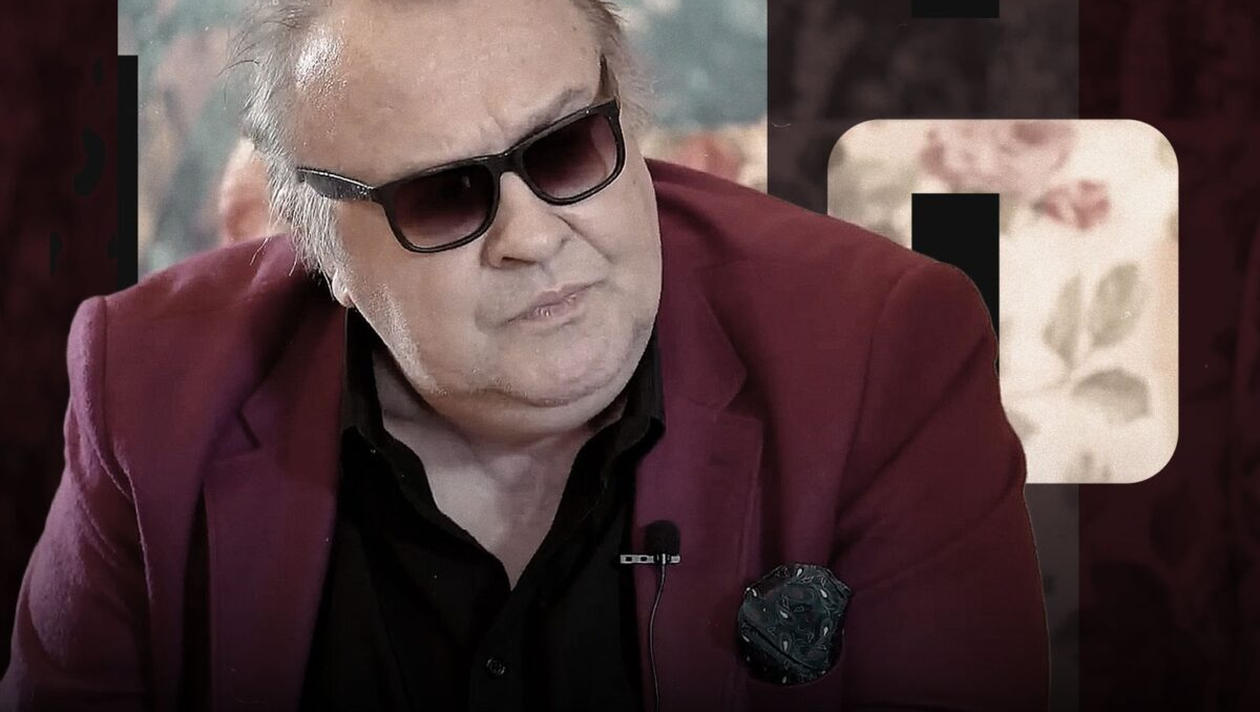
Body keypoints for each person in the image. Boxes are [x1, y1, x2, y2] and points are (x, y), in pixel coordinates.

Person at [0, 0, 1049, 709]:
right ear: (325, 254)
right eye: (443, 194)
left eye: (566, 148)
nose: (533, 235)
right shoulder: (144, 385)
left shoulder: (884, 345)